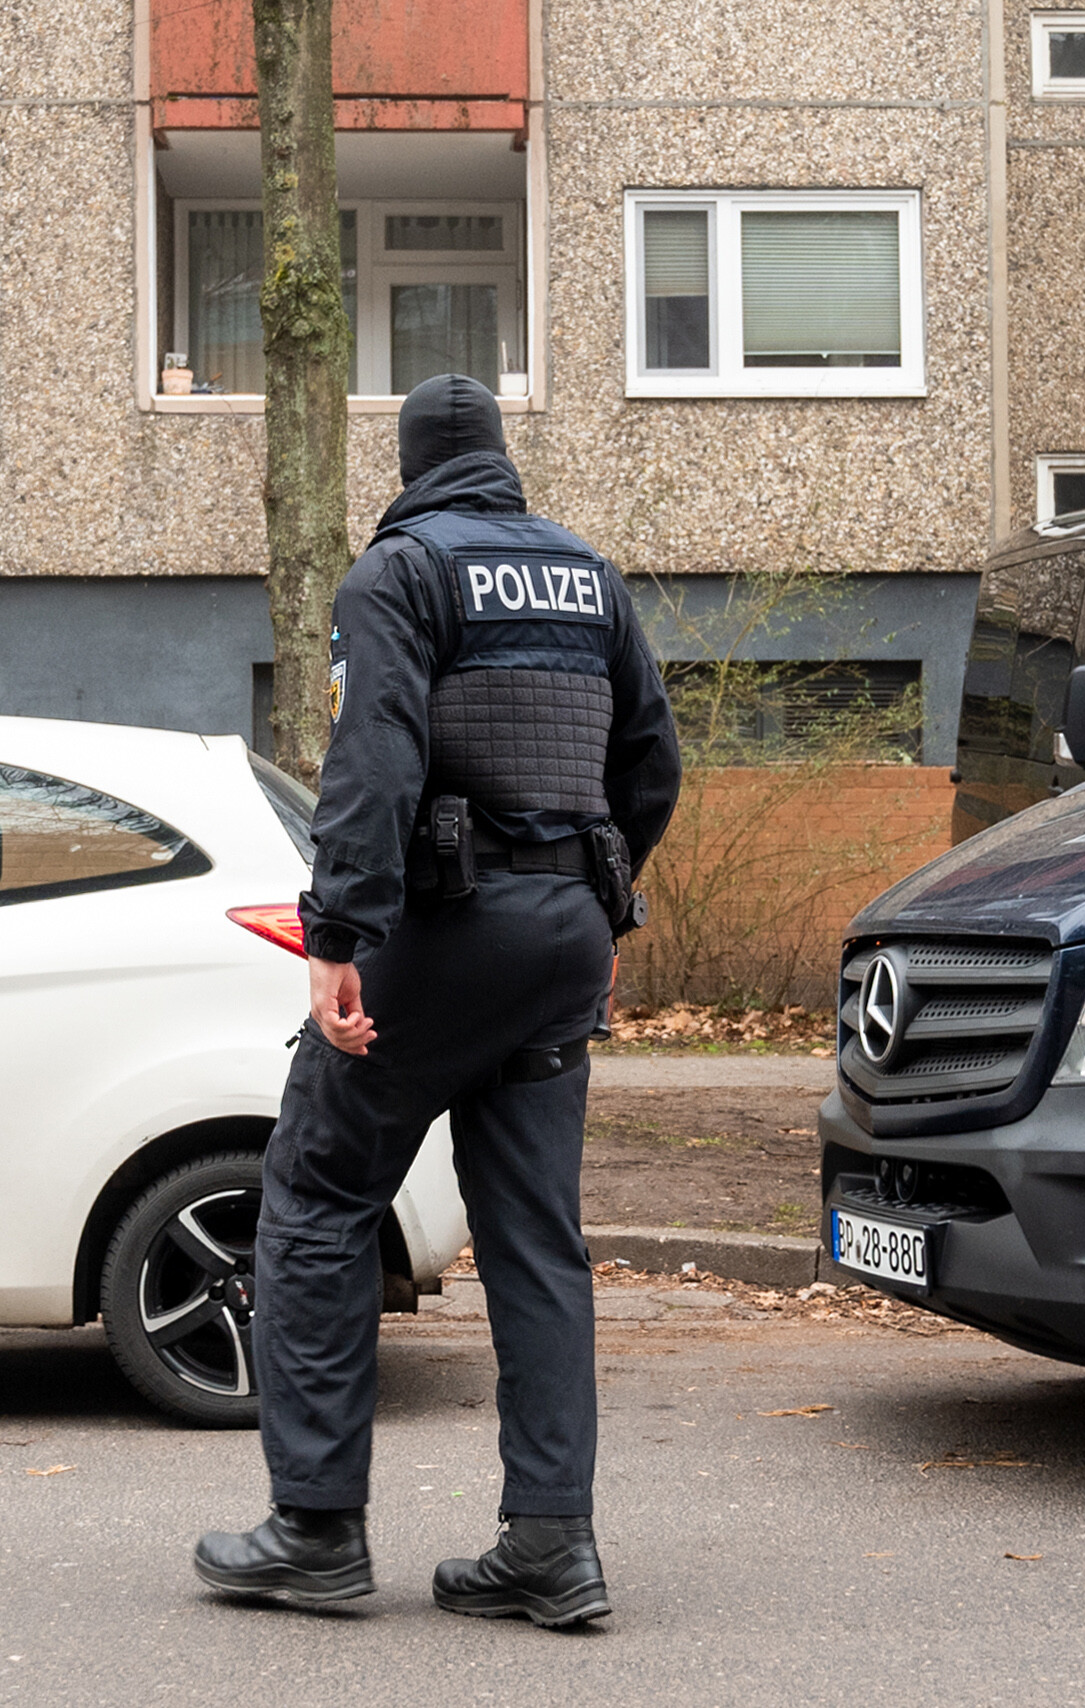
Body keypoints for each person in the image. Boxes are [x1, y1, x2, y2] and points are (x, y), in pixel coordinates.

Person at [193, 373, 681, 1628]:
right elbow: (654, 763)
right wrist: (600, 906)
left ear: (406, 467)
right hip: (564, 940)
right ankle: (551, 1544)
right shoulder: (588, 577)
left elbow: (376, 756)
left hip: (446, 932)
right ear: (503, 461)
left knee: (314, 1193)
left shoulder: (400, 574)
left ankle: (314, 1530)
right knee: (535, 1235)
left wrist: (338, 932)